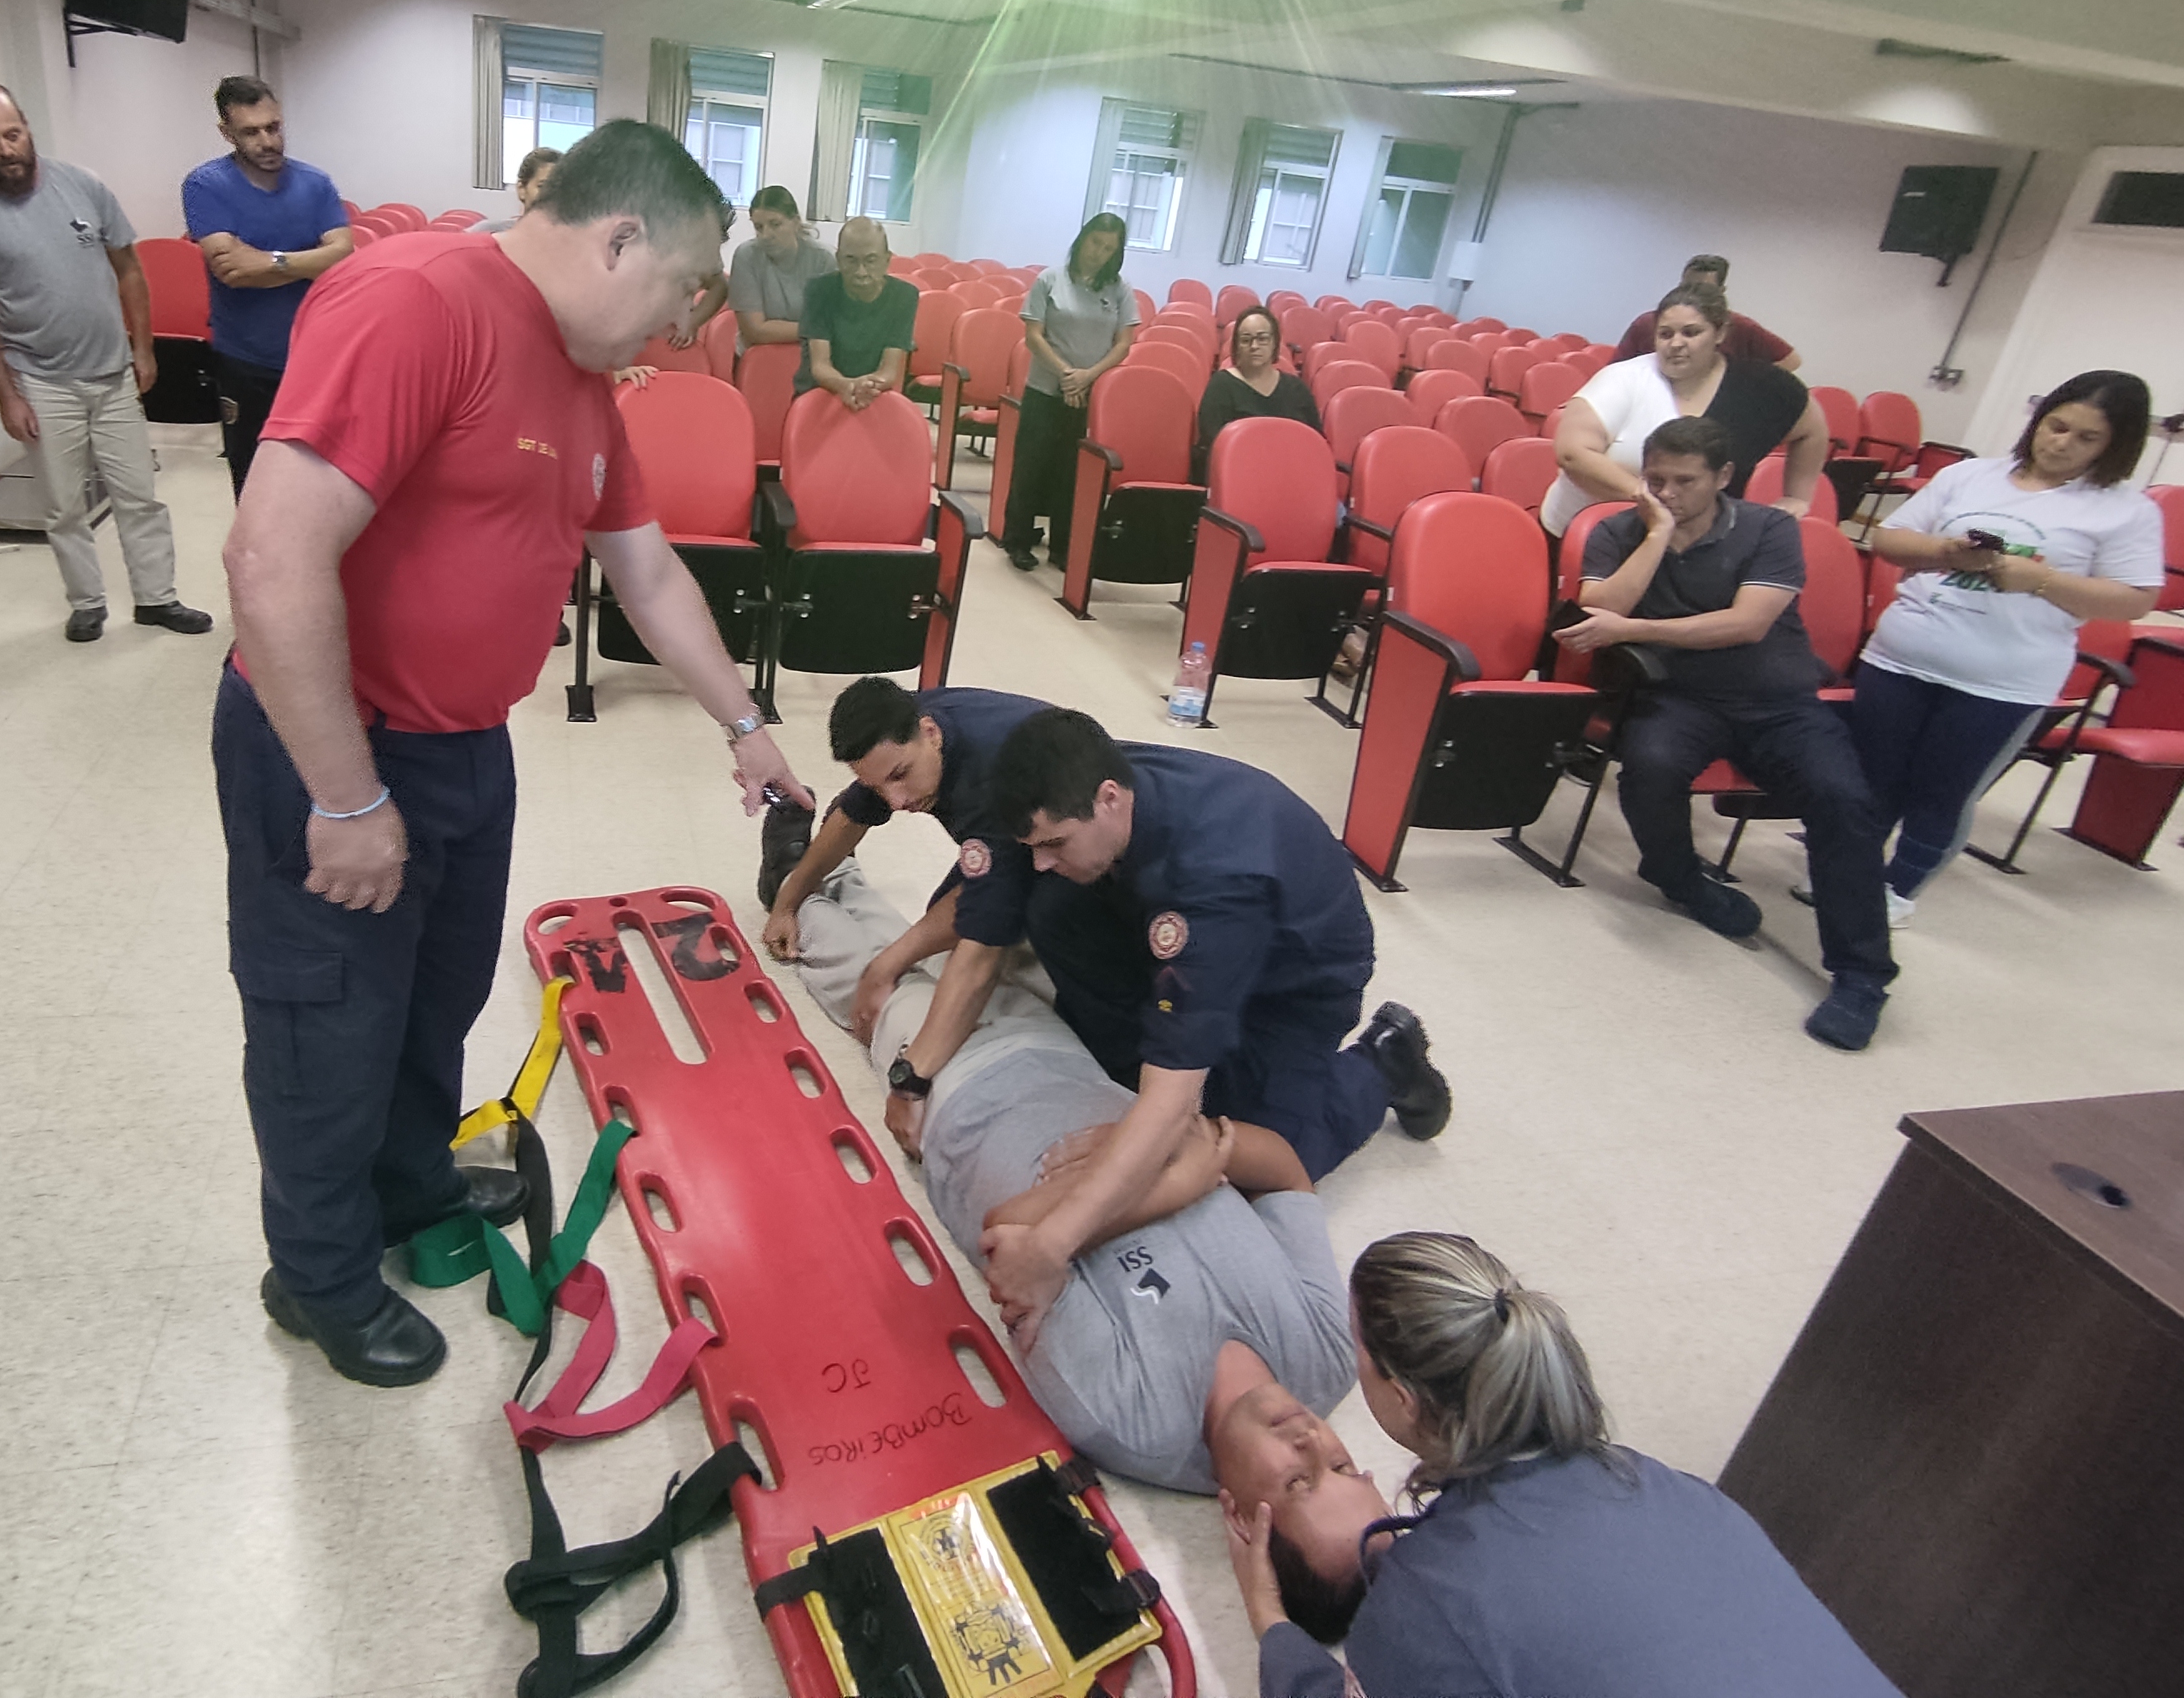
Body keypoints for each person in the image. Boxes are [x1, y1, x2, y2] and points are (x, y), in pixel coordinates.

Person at [217, 118, 802, 1390]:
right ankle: (317, 1278)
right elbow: (270, 555)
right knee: (327, 1025)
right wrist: (343, 796)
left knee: (433, 1002)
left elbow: (647, 572)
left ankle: (407, 1185)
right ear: (620, 238)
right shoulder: (418, 301)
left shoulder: (582, 373)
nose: (679, 329)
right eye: (679, 291)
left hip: (467, 743)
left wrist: (747, 728)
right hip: (341, 747)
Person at [787, 859, 1358, 1490]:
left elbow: (1010, 1237)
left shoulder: (1134, 1421)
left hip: (966, 1102)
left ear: (1242, 1521)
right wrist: (1173, 1139)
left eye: (1298, 1482)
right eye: (1341, 1465)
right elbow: (1286, 1175)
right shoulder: (1328, 1360)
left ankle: (796, 887)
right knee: (959, 951)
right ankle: (842, 873)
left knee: (874, 982)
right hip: (1071, 1056)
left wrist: (1177, 1176)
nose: (1310, 1441)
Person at [1238, 1232, 1901, 1698]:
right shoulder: (1661, 1485)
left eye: (1355, 1346)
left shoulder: (1422, 1608)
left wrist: (1273, 1624)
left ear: (1402, 1399)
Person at [969, 709, 1451, 1331]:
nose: (1040, 860)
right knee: (1054, 903)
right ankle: (1138, 1079)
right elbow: (992, 881)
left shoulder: (1216, 881)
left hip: (1294, 982)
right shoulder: (1084, 777)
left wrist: (1051, 1246)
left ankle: (1383, 1063)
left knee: (1251, 1161)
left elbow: (1175, 1103)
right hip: (1156, 911)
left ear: (1110, 799)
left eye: (1054, 844)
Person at [1555, 415, 1896, 1049]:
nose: (1667, 492)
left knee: (1844, 800)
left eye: (1684, 481)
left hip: (1778, 700)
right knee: (1649, 770)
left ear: (1724, 477)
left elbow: (1746, 624)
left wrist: (1635, 630)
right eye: (1656, 479)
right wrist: (1657, 535)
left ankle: (1862, 975)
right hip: (1679, 697)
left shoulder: (1769, 529)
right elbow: (1601, 611)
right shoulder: (1618, 530)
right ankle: (1680, 878)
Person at [1850, 370, 2163, 922]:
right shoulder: (1970, 476)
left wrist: (2041, 581)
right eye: (2056, 425)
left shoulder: (2124, 510)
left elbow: (2135, 599)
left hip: (2002, 681)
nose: (2061, 443)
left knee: (1942, 792)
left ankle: (1898, 891)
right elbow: (1890, 539)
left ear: (2115, 446)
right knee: (1873, 777)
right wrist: (1946, 552)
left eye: (2086, 438)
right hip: (1901, 659)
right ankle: (1846, 871)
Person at [0, 83, 212, 644]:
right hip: (39, 380)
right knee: (63, 506)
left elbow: (129, 270)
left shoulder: (82, 186)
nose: (6, 149)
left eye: (13, 134)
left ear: (27, 125)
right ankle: (86, 603)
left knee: (139, 497)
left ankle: (157, 598)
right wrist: (7, 395)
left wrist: (143, 349)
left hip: (112, 373)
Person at [759, 675, 1059, 1062]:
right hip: (1015, 853)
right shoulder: (907, 725)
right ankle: (799, 877)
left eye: (900, 776)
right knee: (927, 952)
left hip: (1052, 860)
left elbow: (991, 901)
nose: (896, 802)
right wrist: (788, 900)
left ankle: (811, 878)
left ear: (931, 733)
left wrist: (886, 967)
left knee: (937, 970)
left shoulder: (998, 776)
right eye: (879, 787)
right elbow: (855, 812)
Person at [1543, 282, 1826, 538]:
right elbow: (1572, 453)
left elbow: (1812, 429)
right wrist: (1651, 500)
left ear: (1720, 333)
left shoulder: (1759, 386)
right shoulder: (1623, 379)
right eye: (1665, 334)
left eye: (1691, 333)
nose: (1676, 344)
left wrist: (1797, 497)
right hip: (1593, 533)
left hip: (1692, 543)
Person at [182, 76, 353, 494]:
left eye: (273, 127)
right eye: (251, 132)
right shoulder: (206, 185)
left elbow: (343, 255)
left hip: (315, 358)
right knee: (254, 483)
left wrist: (270, 261)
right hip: (246, 363)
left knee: (319, 481)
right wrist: (310, 262)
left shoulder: (315, 183)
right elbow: (232, 270)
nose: (268, 141)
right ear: (227, 133)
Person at [1002, 214, 1139, 571]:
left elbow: (1124, 343)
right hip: (1045, 389)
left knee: (1072, 473)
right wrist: (1067, 375)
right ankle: (1018, 539)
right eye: (1095, 243)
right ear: (1082, 239)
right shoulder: (1050, 280)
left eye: (1108, 248)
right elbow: (1034, 336)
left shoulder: (1119, 289)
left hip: (1089, 394)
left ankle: (1062, 545)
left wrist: (1087, 377)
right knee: (1032, 466)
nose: (1099, 253)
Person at [794, 216, 917, 408]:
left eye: (870, 261)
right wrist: (846, 386)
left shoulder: (904, 296)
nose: (861, 272)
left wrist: (866, 387)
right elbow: (820, 366)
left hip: (873, 394)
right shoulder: (819, 290)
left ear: (887, 260)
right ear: (838, 259)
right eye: (851, 260)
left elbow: (889, 371)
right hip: (819, 393)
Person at [1194, 305, 1320, 482]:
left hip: (1292, 477)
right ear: (1237, 346)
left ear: (1274, 343)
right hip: (1238, 477)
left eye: (1262, 339)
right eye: (1246, 340)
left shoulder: (1296, 388)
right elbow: (1214, 444)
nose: (1254, 346)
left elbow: (1315, 441)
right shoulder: (1221, 386)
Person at [1611, 255, 1801, 373]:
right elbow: (1616, 370)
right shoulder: (1647, 323)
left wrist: (1745, 385)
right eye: (1666, 334)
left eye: (1692, 333)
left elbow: (1790, 360)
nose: (1693, 294)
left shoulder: (1740, 325)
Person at [722, 184, 835, 353]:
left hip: (812, 354)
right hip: (758, 356)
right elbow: (754, 331)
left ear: (795, 222)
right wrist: (812, 329)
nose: (766, 235)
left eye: (775, 224)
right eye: (759, 227)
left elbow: (831, 325)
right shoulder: (746, 256)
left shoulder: (824, 259)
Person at [478, 146, 561, 233]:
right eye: (542, 186)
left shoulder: (568, 239)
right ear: (522, 189)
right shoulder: (487, 231)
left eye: (560, 188)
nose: (551, 195)